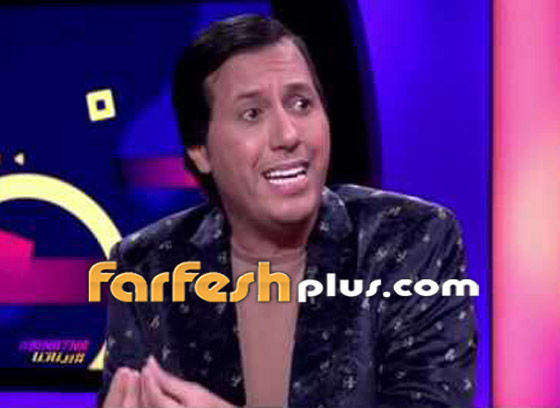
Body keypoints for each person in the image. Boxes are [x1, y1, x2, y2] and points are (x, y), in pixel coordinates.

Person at [98, 14, 477, 408]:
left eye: (301, 104)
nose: (288, 135)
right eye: (252, 114)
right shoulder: (146, 265)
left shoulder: (413, 239)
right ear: (201, 151)